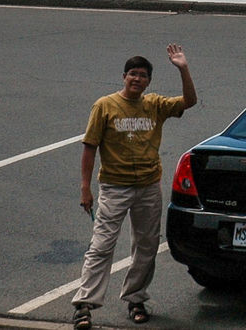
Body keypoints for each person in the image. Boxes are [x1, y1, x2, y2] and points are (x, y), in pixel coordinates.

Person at [72, 43, 198, 328]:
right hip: (114, 188)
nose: (137, 79)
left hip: (148, 188)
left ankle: (136, 298)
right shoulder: (105, 106)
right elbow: (90, 147)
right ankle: (84, 305)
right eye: (132, 74)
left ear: (148, 81)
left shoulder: (154, 104)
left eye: (142, 75)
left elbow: (189, 101)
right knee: (102, 245)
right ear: (124, 77)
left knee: (146, 246)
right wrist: (85, 187)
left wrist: (183, 68)